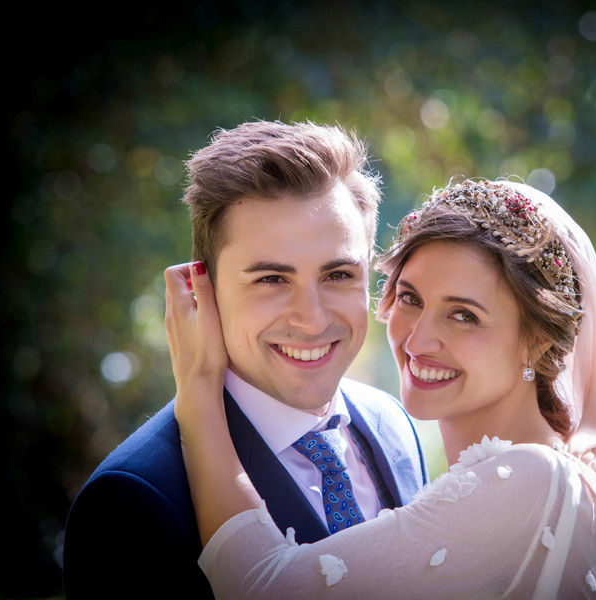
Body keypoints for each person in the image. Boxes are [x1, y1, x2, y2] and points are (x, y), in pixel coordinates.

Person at [167, 178, 596, 598]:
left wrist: (198, 395)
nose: (417, 340)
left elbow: (263, 588)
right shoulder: (515, 475)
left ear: (537, 343)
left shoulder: (532, 483)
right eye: (411, 299)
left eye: (464, 315)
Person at [63, 121, 429, 598]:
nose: (313, 320)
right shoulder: (131, 501)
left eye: (337, 274)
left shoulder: (392, 422)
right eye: (272, 280)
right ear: (202, 290)